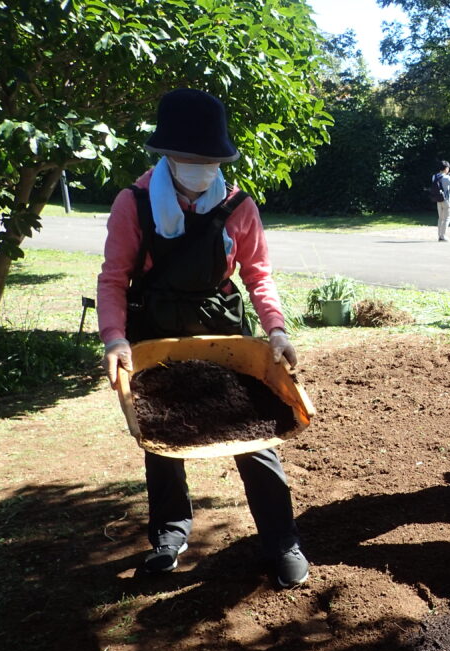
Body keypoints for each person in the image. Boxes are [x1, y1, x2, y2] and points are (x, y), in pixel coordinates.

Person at [97, 88, 308, 587]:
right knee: (161, 441)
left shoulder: (238, 206)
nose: (201, 170)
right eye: (191, 160)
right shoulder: (135, 203)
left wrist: (276, 330)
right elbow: (114, 277)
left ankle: (283, 542)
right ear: (168, 156)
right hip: (156, 336)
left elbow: (258, 275)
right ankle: (169, 536)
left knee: (256, 438)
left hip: (223, 335)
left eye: (210, 161)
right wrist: (115, 339)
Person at [433, 160, 450, 241]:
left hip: (438, 200)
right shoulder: (447, 177)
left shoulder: (434, 176)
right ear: (446, 168)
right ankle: (443, 236)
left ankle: (439, 235)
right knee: (447, 219)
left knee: (440, 218)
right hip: (446, 200)